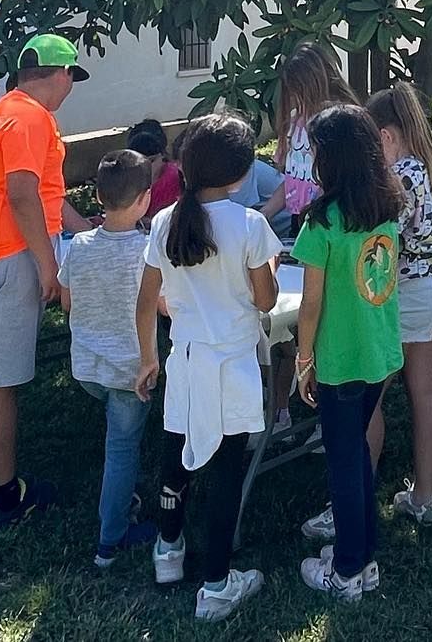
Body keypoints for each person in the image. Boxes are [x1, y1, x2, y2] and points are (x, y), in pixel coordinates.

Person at [0, 34, 92, 532]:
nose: (71, 86)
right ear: (61, 74)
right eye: (72, 76)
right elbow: (23, 195)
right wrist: (49, 266)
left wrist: (88, 230)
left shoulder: (8, 108)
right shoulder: (31, 117)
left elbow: (47, 194)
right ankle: (6, 497)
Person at [135, 113, 280, 623]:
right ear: (242, 174)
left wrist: (148, 357)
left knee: (177, 457)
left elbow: (147, 297)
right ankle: (217, 583)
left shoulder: (163, 220)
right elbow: (265, 301)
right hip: (234, 364)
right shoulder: (249, 225)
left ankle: (168, 549)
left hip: (185, 359)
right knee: (225, 473)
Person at [292, 105, 403, 601]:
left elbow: (310, 303)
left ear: (329, 157)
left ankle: (348, 570)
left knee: (343, 464)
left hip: (338, 362)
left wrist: (302, 360)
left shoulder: (322, 221)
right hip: (378, 353)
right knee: (355, 453)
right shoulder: (386, 204)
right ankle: (366, 557)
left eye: (314, 149)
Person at [364, 82, 432, 526]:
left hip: (408, 293)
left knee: (367, 397)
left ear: (385, 136)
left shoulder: (398, 177)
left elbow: (384, 242)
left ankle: (354, 497)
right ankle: (424, 496)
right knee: (425, 390)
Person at [60, 149, 158, 567]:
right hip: (129, 371)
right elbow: (164, 304)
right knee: (121, 450)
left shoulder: (78, 245)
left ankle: (120, 502)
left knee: (117, 445)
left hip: (87, 367)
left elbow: (66, 302)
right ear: (145, 200)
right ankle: (111, 537)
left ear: (97, 197)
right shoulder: (148, 252)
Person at [258, 43, 358, 233]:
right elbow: (293, 179)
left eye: (298, 90)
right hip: (300, 220)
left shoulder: (340, 123)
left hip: (329, 221)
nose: (294, 97)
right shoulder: (295, 122)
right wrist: (266, 212)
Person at [127, 119, 182, 219]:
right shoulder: (125, 179)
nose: (146, 166)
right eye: (138, 162)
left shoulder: (175, 179)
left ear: (163, 156)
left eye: (152, 161)